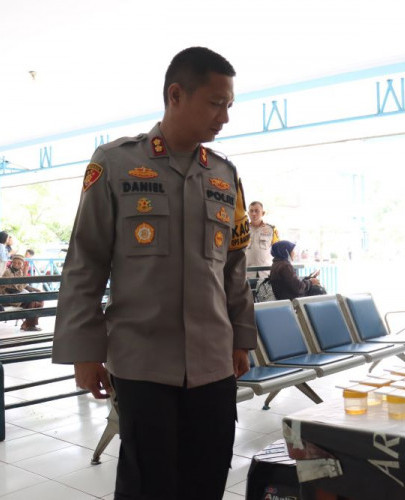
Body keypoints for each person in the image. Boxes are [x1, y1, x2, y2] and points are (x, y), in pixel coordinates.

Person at [52, 47, 257, 500]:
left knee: (208, 474)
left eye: (229, 105)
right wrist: (85, 352)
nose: (224, 117)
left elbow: (234, 266)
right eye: (215, 102)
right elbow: (85, 262)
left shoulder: (225, 175)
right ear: (176, 94)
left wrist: (242, 337)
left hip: (213, 362)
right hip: (142, 361)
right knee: (149, 481)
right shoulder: (114, 164)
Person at [0, 255, 44, 331]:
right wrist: (25, 273)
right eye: (14, 263)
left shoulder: (19, 271)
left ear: (22, 264)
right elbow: (19, 287)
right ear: (12, 263)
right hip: (8, 297)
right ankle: (29, 325)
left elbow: (24, 286)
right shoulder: (8, 272)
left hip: (17, 296)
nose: (16, 265)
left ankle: (27, 324)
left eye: (19, 263)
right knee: (32, 301)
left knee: (40, 299)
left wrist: (35, 289)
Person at [245, 201, 279, 278]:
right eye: (251, 211)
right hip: (247, 273)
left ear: (263, 213)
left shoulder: (271, 229)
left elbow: (278, 251)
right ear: (248, 213)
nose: (254, 213)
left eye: (257, 211)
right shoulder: (243, 230)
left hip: (265, 273)